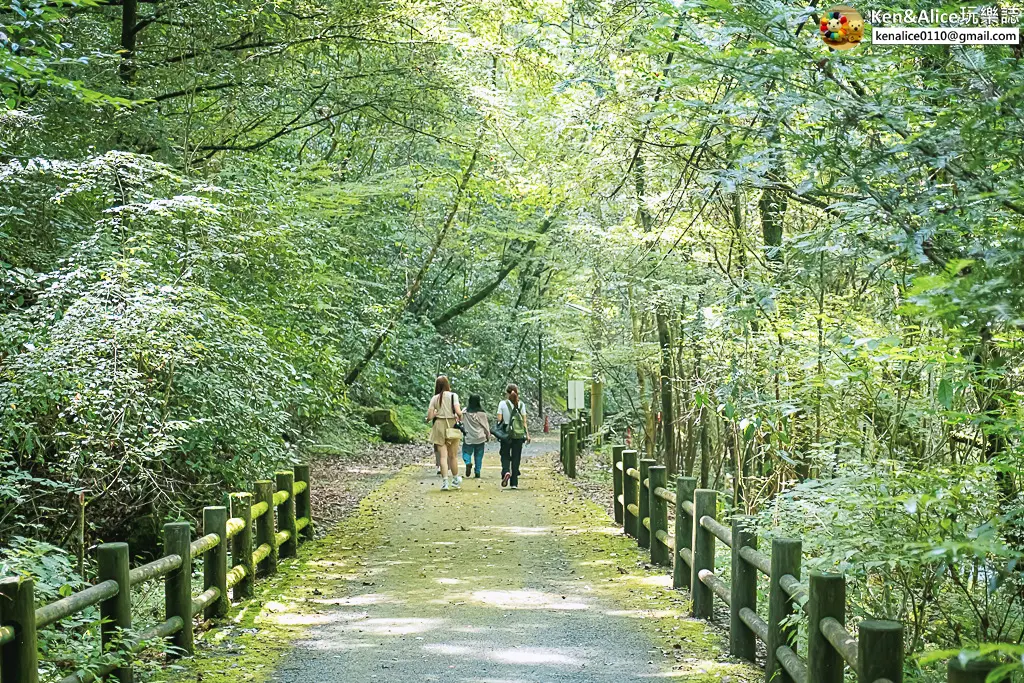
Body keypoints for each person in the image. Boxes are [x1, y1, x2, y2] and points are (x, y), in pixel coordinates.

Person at [426, 375, 463, 491]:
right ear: (447, 384)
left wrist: (437, 413)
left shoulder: (434, 398)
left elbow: (430, 416)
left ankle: (445, 482)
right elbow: (458, 412)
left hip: (439, 427)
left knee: (443, 456)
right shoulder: (453, 396)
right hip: (451, 426)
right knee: (453, 456)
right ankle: (456, 479)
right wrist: (459, 416)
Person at [496, 383, 530, 489]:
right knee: (516, 457)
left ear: (507, 393)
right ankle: (514, 483)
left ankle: (506, 471)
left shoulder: (502, 404)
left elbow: (499, 419)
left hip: (506, 434)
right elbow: (524, 421)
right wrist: (527, 434)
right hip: (519, 434)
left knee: (505, 454)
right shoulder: (521, 404)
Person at [461, 395, 490, 478]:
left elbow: (459, 418)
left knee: (466, 452)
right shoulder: (482, 414)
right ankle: (477, 471)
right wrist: (488, 436)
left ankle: (468, 463)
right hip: (480, 437)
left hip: (469, 436)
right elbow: (486, 426)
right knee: (479, 455)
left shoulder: (465, 412)